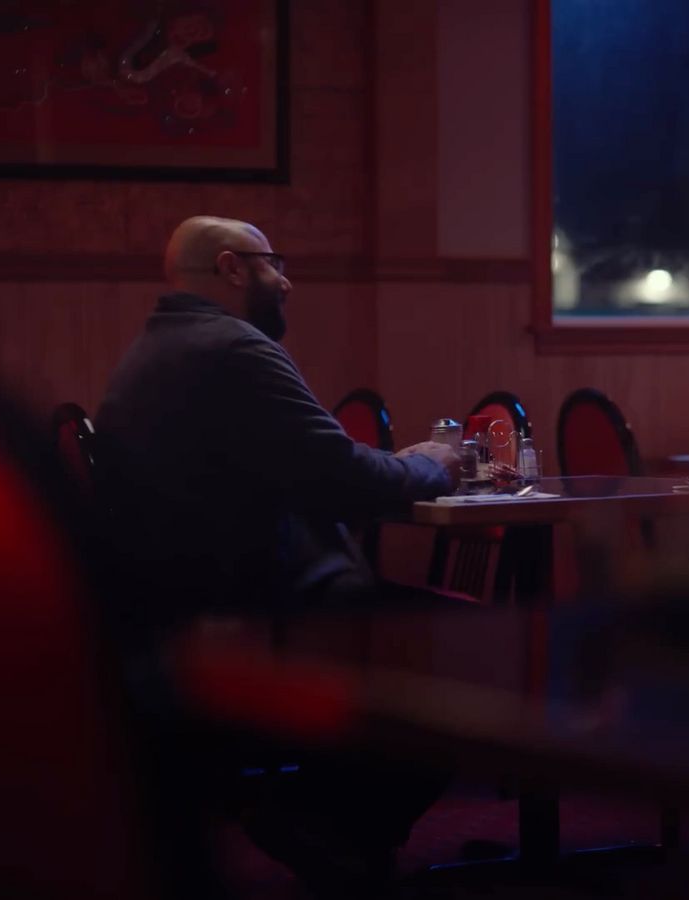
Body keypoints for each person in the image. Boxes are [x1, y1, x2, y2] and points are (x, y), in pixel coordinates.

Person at [93, 215, 462, 896]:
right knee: (465, 649)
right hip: (258, 614)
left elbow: (316, 465)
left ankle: (334, 824)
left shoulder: (156, 348)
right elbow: (345, 481)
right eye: (274, 264)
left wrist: (384, 463)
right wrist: (437, 463)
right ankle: (329, 826)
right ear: (233, 268)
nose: (286, 280)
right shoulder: (233, 348)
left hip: (179, 612)